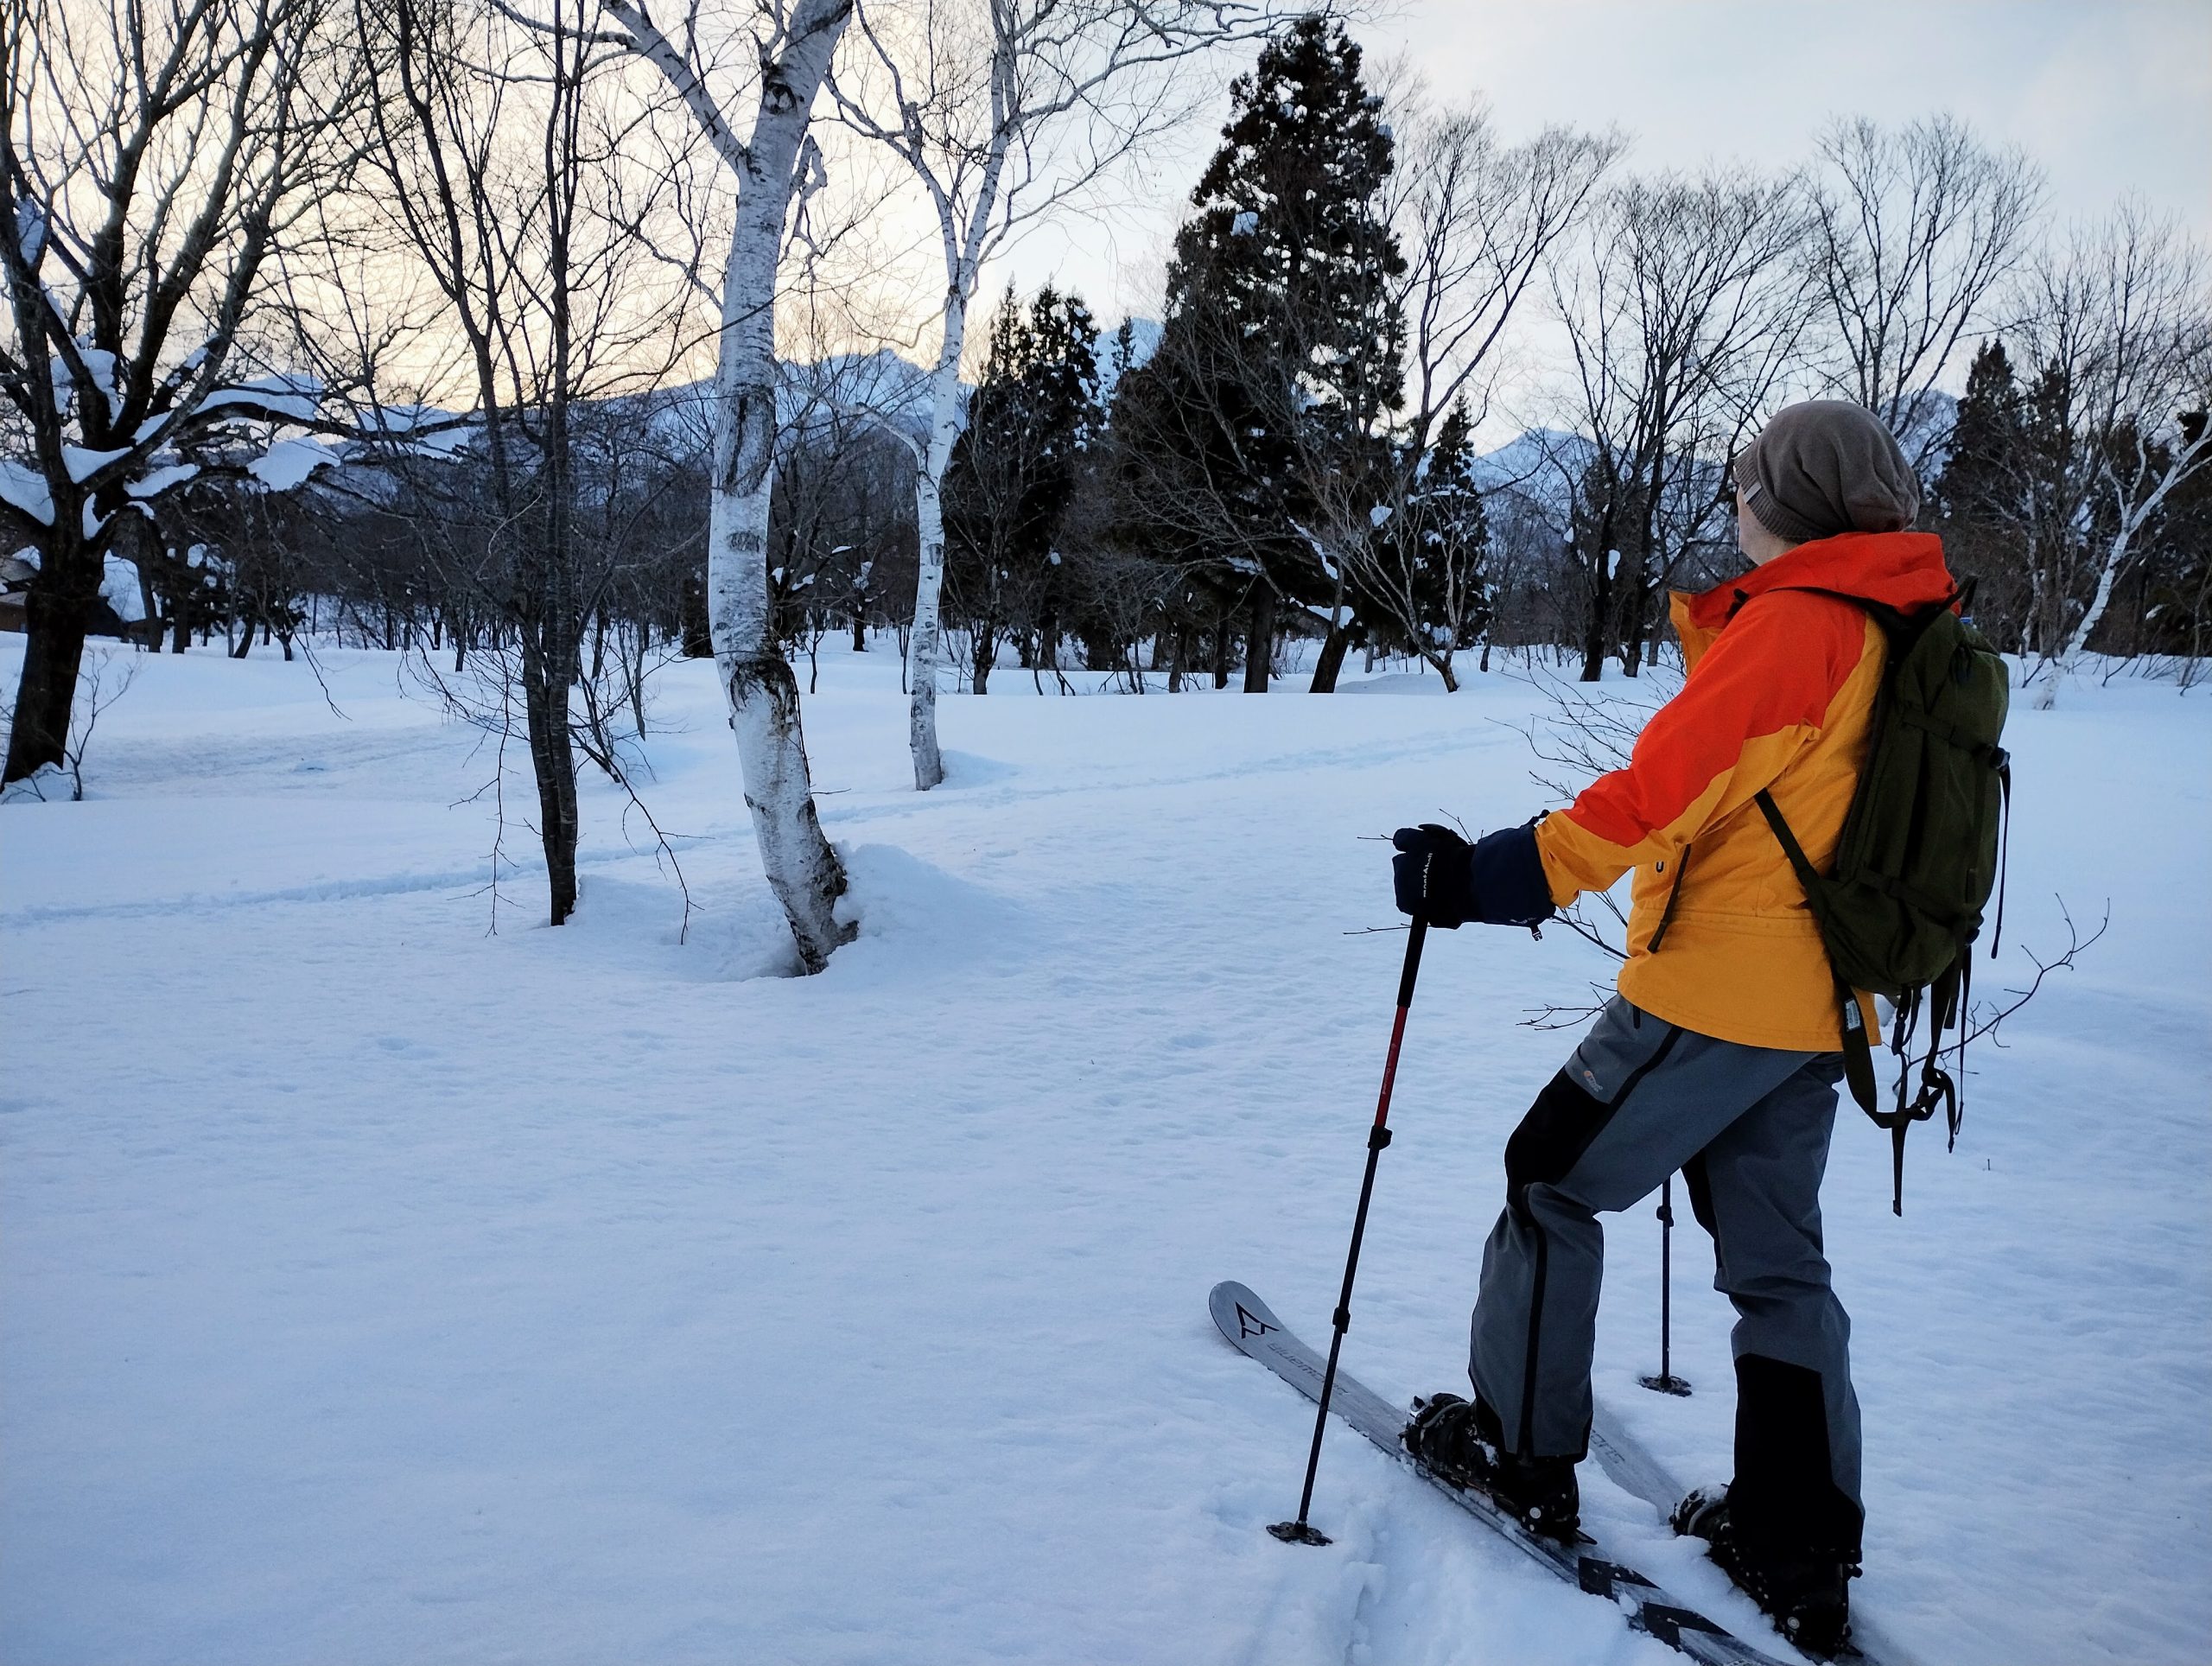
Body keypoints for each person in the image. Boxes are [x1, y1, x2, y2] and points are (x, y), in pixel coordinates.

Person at [1389, 399, 1957, 1659]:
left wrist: (1486, 881)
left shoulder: (1801, 628)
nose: (1736, 507)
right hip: (1825, 1007)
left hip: (1711, 998)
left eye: (1745, 487)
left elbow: (1659, 794)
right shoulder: (1895, 621)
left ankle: (1519, 1452)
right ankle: (1797, 1536)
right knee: (1779, 1265)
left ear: (1791, 506)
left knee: (1548, 1179)